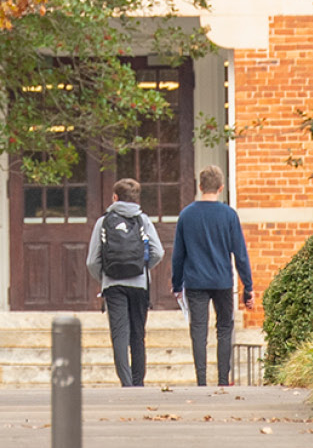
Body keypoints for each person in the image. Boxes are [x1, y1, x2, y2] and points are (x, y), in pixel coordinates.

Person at [170, 165, 254, 386]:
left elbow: (178, 255)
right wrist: (248, 286)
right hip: (222, 280)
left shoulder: (186, 215)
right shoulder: (228, 215)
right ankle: (223, 380)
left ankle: (201, 380)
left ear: (200, 186)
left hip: (195, 281)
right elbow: (241, 254)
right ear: (221, 188)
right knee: (224, 327)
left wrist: (177, 284)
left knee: (198, 329)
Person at [84, 177, 162, 387]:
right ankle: (138, 382)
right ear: (136, 198)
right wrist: (142, 267)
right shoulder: (143, 220)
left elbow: (92, 260)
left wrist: (104, 277)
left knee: (119, 334)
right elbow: (158, 252)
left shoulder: (103, 221)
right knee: (138, 334)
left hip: (113, 284)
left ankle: (126, 383)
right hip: (139, 284)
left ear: (115, 197)